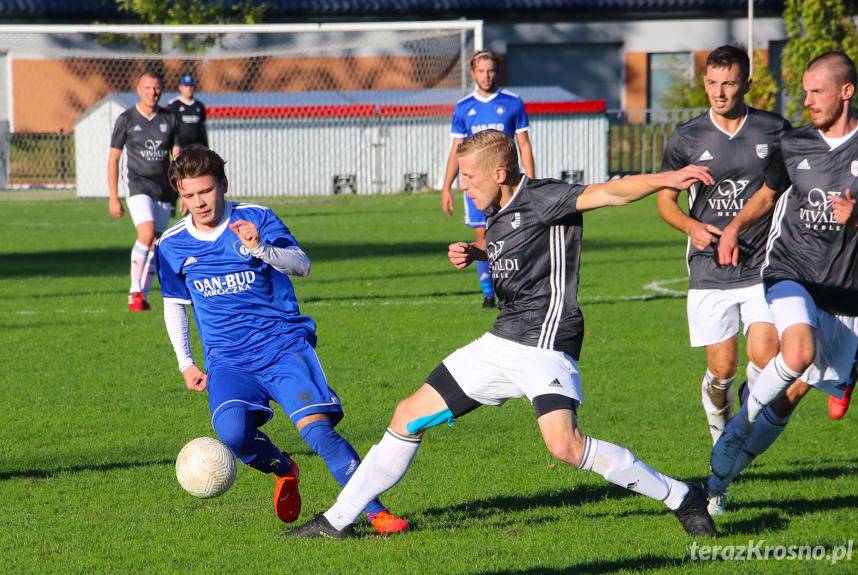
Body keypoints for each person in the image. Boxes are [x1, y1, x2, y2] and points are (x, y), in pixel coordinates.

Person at [286, 129, 717, 539]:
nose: (463, 187)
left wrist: (669, 178)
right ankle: (337, 520)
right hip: (501, 341)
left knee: (565, 446)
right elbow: (517, 253)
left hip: (544, 342)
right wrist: (477, 252)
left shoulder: (545, 196)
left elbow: (609, 192)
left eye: (469, 178)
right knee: (407, 415)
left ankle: (682, 496)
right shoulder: (495, 216)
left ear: (498, 173)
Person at [155, 148, 408, 534]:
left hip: (282, 347)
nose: (198, 203)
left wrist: (260, 249)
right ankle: (284, 468)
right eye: (188, 196)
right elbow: (175, 305)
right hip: (228, 362)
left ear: (222, 185)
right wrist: (185, 362)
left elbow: (301, 264)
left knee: (319, 431)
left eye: (205, 192)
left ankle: (376, 512)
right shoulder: (173, 244)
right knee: (235, 435)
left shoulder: (256, 218)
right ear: (179, 194)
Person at [708, 51, 858, 503]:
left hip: (848, 292)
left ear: (847, 92)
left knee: (791, 396)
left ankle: (719, 483)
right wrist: (734, 227)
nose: (808, 100)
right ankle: (738, 425)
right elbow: (768, 194)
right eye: (805, 91)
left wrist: (857, 221)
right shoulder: (794, 143)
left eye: (817, 91)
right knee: (797, 352)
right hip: (791, 271)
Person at [656, 45, 788, 514]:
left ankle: (731, 449)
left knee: (767, 356)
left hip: (763, 264)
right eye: (712, 84)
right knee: (722, 371)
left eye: (728, 82)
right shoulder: (687, 137)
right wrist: (692, 226)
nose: (719, 92)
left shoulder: (774, 130)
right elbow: (666, 201)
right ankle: (722, 431)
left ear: (746, 82)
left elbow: (790, 189)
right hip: (709, 269)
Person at [441, 49, 536, 308]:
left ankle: (516, 282)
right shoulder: (464, 108)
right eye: (481, 71)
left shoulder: (513, 103)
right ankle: (488, 292)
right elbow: (456, 152)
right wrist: (446, 187)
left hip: (506, 184)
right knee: (482, 236)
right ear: (473, 73)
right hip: (477, 186)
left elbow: (524, 145)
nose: (486, 75)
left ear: (497, 72)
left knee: (514, 233)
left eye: (491, 70)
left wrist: (532, 179)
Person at [107, 70, 180, 312]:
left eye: (157, 87)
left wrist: (184, 194)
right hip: (137, 185)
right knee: (146, 233)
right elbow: (113, 159)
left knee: (157, 243)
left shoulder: (170, 120)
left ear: (162, 89)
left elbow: (177, 159)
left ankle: (143, 297)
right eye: (147, 87)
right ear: (139, 89)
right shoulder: (126, 119)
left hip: (163, 189)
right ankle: (134, 291)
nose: (152, 92)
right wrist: (113, 197)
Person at [167, 74, 208, 151]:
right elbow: (170, 128)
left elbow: (202, 128)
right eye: (186, 86)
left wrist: (206, 147)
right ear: (180, 87)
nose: (189, 88)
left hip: (197, 146)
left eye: (191, 85)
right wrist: (174, 145)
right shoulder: (174, 105)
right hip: (180, 147)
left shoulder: (199, 105)